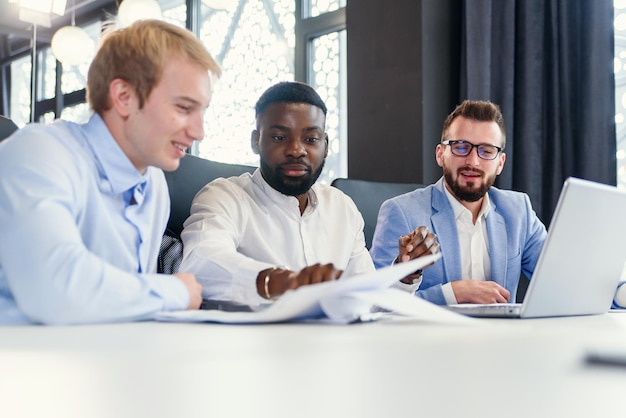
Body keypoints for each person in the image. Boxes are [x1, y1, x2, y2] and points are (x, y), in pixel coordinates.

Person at [0, 19, 221, 325]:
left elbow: (125, 308)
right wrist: (176, 291)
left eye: (202, 111)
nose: (199, 132)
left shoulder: (153, 182)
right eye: (184, 108)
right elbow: (55, 290)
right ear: (123, 97)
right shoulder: (38, 152)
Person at [179, 81, 439, 308]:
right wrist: (283, 282)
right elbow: (200, 264)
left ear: (325, 146)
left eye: (311, 139)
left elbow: (366, 302)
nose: (296, 150)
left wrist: (405, 274)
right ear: (256, 140)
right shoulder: (223, 196)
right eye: (280, 137)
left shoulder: (341, 207)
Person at [370, 100, 547, 306]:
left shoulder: (518, 211)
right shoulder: (401, 212)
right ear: (440, 154)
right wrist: (453, 294)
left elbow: (558, 277)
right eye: (461, 147)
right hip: (431, 337)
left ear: (500, 163)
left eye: (486, 151)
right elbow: (375, 303)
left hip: (503, 336)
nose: (472, 161)